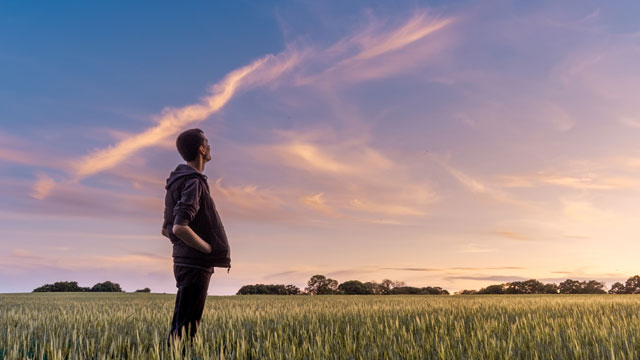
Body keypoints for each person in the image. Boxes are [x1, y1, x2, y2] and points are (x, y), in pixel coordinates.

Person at [161, 128, 231, 345]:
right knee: (186, 331)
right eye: (207, 143)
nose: (210, 147)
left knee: (181, 326)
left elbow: (166, 228)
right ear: (202, 149)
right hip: (195, 264)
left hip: (183, 262)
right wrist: (207, 249)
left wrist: (182, 248)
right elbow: (178, 228)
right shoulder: (194, 181)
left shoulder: (176, 182)